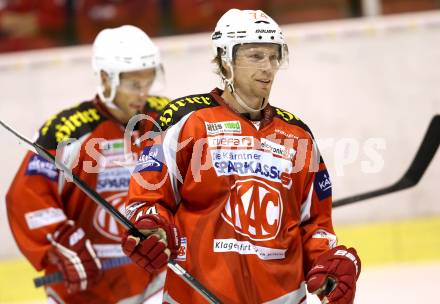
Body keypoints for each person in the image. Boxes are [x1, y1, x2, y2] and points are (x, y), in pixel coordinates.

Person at [122, 9, 361, 304]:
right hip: (198, 297)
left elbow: (315, 225)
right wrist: (152, 230)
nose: (268, 68)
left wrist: (329, 262)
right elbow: (146, 200)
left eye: (274, 56)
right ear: (225, 60)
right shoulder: (186, 119)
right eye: (256, 56)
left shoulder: (298, 135)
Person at [6, 25, 170, 303]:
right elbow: (27, 195)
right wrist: (59, 238)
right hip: (84, 286)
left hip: (151, 280)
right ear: (106, 79)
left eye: (148, 81)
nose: (143, 93)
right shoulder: (67, 130)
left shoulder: (164, 118)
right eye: (134, 85)